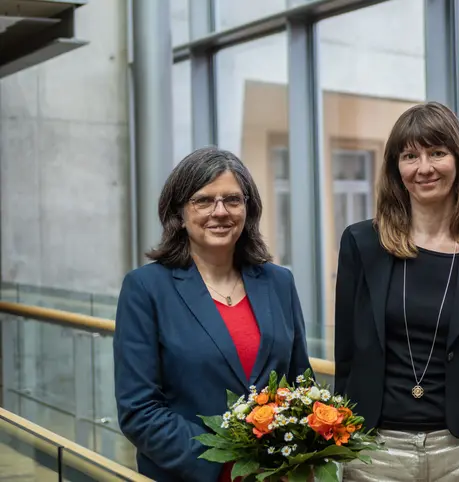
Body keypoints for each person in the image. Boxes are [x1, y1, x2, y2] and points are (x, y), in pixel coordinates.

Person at [334, 102, 459, 481]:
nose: (424, 168)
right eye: (410, 156)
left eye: (437, 153)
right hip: (377, 451)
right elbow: (348, 351)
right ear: (396, 168)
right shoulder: (361, 244)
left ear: (458, 161)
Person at [114, 147, 311, 482]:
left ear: (248, 209)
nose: (220, 212)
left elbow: (299, 384)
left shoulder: (279, 282)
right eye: (203, 200)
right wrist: (230, 463)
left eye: (232, 200)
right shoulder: (146, 288)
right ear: (179, 212)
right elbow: (139, 410)